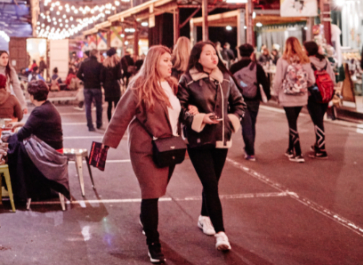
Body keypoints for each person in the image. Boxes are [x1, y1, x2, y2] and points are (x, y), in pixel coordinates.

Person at [102, 46, 181, 262]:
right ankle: (153, 244)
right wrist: (106, 145)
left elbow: (179, 114)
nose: (170, 64)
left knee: (157, 190)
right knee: (152, 193)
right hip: (145, 149)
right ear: (154, 62)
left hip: (168, 148)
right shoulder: (139, 85)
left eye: (170, 60)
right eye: (166, 60)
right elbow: (121, 115)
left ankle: (146, 221)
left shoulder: (172, 85)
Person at [178, 41, 245, 252]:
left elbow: (240, 104)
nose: (213, 57)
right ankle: (221, 233)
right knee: (211, 185)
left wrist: (232, 121)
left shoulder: (226, 78)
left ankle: (204, 217)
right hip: (198, 140)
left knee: (212, 182)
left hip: (221, 139)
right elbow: (180, 109)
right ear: (198, 58)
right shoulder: (187, 79)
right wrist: (198, 118)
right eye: (208, 54)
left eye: (214, 53)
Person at [8, 80, 69, 207]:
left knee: (16, 148)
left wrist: (5, 140)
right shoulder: (48, 107)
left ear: (32, 96)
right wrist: (19, 124)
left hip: (49, 154)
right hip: (52, 150)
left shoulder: (39, 111)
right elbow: (34, 125)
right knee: (19, 147)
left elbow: (22, 134)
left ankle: (21, 192)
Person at [271, 37, 315, 163]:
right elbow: (312, 80)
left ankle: (298, 153)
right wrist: (302, 86)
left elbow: (277, 80)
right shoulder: (305, 61)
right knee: (293, 121)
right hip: (301, 97)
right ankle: (290, 149)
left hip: (287, 97)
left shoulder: (282, 60)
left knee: (292, 124)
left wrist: (276, 93)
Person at [229, 43, 270, 161]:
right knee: (252, 124)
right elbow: (265, 82)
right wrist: (267, 96)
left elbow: (229, 84)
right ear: (252, 53)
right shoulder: (257, 66)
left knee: (246, 125)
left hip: (239, 100)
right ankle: (250, 149)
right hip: (254, 99)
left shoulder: (234, 67)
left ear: (240, 53)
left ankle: (250, 151)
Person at [304, 41, 333, 159]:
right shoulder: (325, 61)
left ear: (307, 51)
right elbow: (332, 77)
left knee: (318, 122)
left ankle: (321, 149)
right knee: (319, 119)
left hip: (314, 95)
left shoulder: (307, 63)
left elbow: (308, 80)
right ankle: (318, 144)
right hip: (326, 94)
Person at [77, 50, 105, 132]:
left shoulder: (84, 64)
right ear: (96, 55)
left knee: (88, 106)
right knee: (99, 106)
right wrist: (99, 81)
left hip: (87, 87)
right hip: (96, 87)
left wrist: (84, 79)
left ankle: (90, 125)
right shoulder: (99, 65)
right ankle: (99, 123)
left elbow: (78, 74)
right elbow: (102, 77)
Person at [102, 49, 122, 122]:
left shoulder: (104, 64)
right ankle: (116, 120)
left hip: (107, 86)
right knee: (117, 105)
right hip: (115, 85)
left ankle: (109, 121)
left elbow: (102, 77)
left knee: (109, 105)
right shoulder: (117, 63)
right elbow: (119, 76)